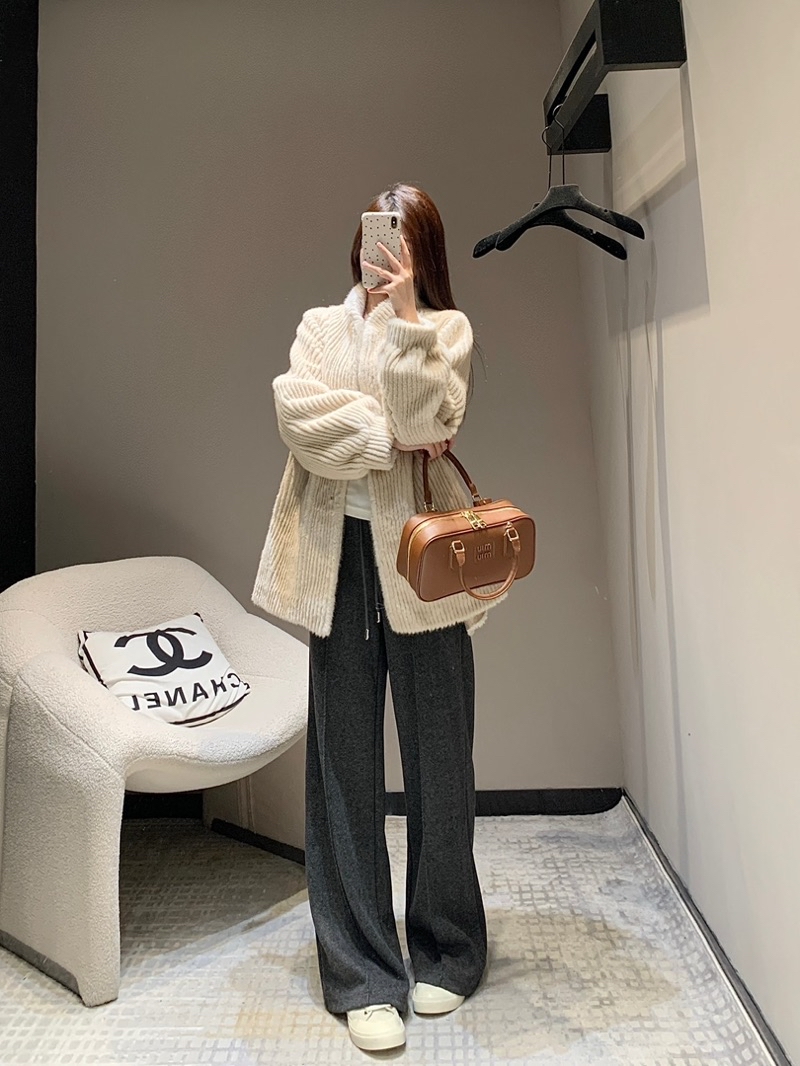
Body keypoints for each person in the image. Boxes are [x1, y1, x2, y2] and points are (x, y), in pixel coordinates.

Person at [251, 183, 508, 1052]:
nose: (382, 250)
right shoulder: (320, 328)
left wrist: (403, 323)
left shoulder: (445, 331)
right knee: (343, 769)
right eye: (374, 232)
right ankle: (362, 972)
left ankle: (449, 949)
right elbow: (298, 419)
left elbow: (428, 415)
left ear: (423, 249)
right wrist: (388, 440)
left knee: (442, 761)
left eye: (401, 237)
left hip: (423, 564)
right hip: (338, 564)